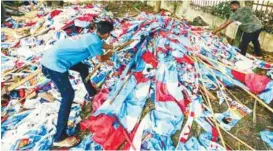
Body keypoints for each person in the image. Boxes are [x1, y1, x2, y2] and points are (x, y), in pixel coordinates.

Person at [41, 21, 116, 147]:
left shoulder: (90, 36)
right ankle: (59, 138)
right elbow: (101, 59)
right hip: (55, 64)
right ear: (107, 34)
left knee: (83, 68)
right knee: (68, 96)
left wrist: (110, 47)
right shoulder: (95, 41)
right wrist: (110, 54)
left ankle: (91, 92)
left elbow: (101, 45)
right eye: (109, 34)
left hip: (50, 57)